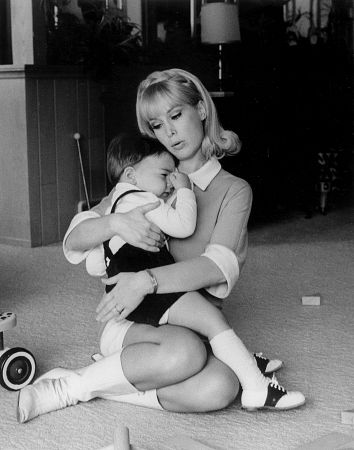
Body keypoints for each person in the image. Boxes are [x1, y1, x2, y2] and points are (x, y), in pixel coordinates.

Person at [17, 68, 305, 424]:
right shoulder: (143, 180)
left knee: (221, 387)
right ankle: (71, 388)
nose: (168, 132)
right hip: (129, 321)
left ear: (200, 110)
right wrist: (114, 222)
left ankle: (108, 379)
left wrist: (146, 280)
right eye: (156, 125)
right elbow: (73, 241)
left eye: (176, 115)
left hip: (187, 320)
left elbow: (216, 267)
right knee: (186, 354)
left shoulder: (233, 190)